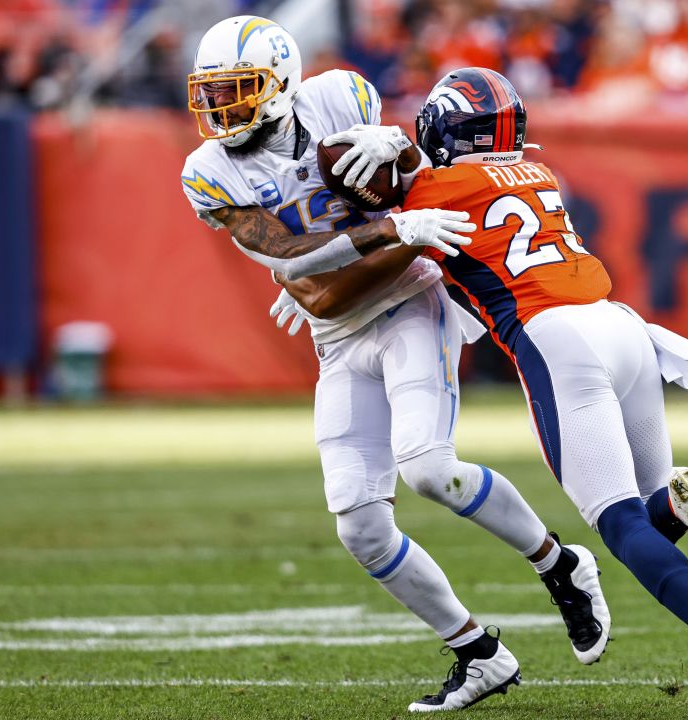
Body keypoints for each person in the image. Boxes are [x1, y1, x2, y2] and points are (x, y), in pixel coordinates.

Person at [279, 67, 688, 720]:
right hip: (621, 327)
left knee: (621, 527)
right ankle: (679, 512)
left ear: (445, 130)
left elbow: (370, 211)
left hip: (559, 342)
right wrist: (393, 146)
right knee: (645, 517)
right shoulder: (538, 176)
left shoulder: (432, 186)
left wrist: (384, 155)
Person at [178, 16, 609, 713]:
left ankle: (560, 564)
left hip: (410, 303)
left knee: (429, 467)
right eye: (213, 93)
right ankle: (478, 653)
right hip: (339, 333)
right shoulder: (208, 173)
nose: (221, 108)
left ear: (282, 84)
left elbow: (409, 182)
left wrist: (402, 151)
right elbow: (292, 260)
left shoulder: (341, 97)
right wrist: (390, 230)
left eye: (239, 90)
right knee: (359, 524)